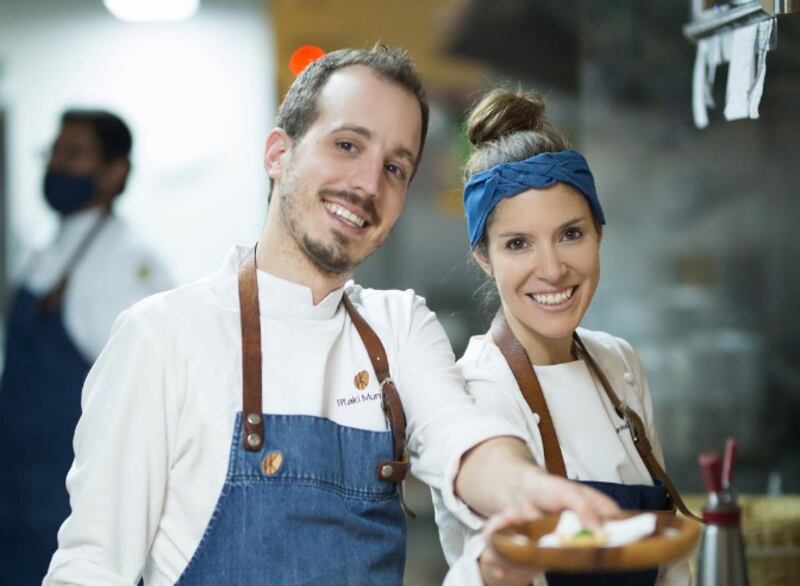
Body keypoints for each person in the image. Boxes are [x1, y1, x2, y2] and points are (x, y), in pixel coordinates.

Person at [43, 47, 618, 586]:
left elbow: (460, 440)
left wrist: (528, 487)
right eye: (347, 145)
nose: (368, 183)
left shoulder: (398, 326)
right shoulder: (163, 336)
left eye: (396, 168)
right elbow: (92, 566)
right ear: (278, 154)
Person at [435, 88, 694, 585]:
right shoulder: (473, 394)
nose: (552, 269)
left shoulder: (620, 363)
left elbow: (667, 555)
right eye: (518, 244)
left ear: (599, 233)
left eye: (571, 234)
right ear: (484, 258)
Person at [0, 109, 172, 585]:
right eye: (54, 152)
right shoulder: (43, 247)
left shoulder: (127, 262)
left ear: (115, 171)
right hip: (15, 489)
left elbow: (147, 396)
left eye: (74, 154)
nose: (58, 165)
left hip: (68, 500)